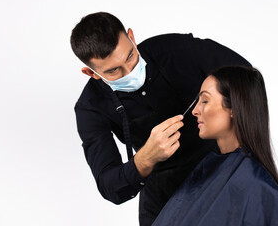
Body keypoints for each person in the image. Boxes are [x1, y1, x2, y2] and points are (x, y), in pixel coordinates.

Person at [70, 12, 251, 225]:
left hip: (223, 162)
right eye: (114, 71)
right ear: (91, 73)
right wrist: (145, 158)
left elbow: (246, 79)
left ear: (131, 36)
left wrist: (229, 129)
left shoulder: (176, 49)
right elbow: (110, 188)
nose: (130, 72)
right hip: (164, 193)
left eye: (130, 56)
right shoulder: (90, 108)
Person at [152, 66, 278, 225]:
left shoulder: (256, 185)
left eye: (204, 100)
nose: (195, 111)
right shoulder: (210, 169)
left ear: (234, 107)